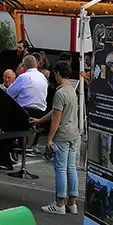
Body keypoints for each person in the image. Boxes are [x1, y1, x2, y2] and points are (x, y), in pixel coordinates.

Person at [32, 61, 81, 215]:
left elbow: (56, 118)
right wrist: (40, 120)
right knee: (71, 168)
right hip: (73, 134)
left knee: (60, 169)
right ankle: (72, 203)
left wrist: (49, 138)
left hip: (62, 135)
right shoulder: (71, 90)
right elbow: (55, 111)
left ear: (58, 74)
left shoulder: (60, 93)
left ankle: (59, 204)